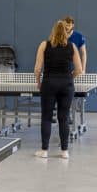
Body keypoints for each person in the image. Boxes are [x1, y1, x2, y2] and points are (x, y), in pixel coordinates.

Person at [33, 20, 83, 159]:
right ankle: (64, 151)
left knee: (47, 117)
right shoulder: (72, 46)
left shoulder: (44, 45)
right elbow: (79, 70)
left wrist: (38, 82)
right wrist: (69, 78)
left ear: (53, 31)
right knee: (64, 118)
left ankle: (44, 150)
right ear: (66, 33)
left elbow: (37, 69)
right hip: (66, 85)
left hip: (48, 84)